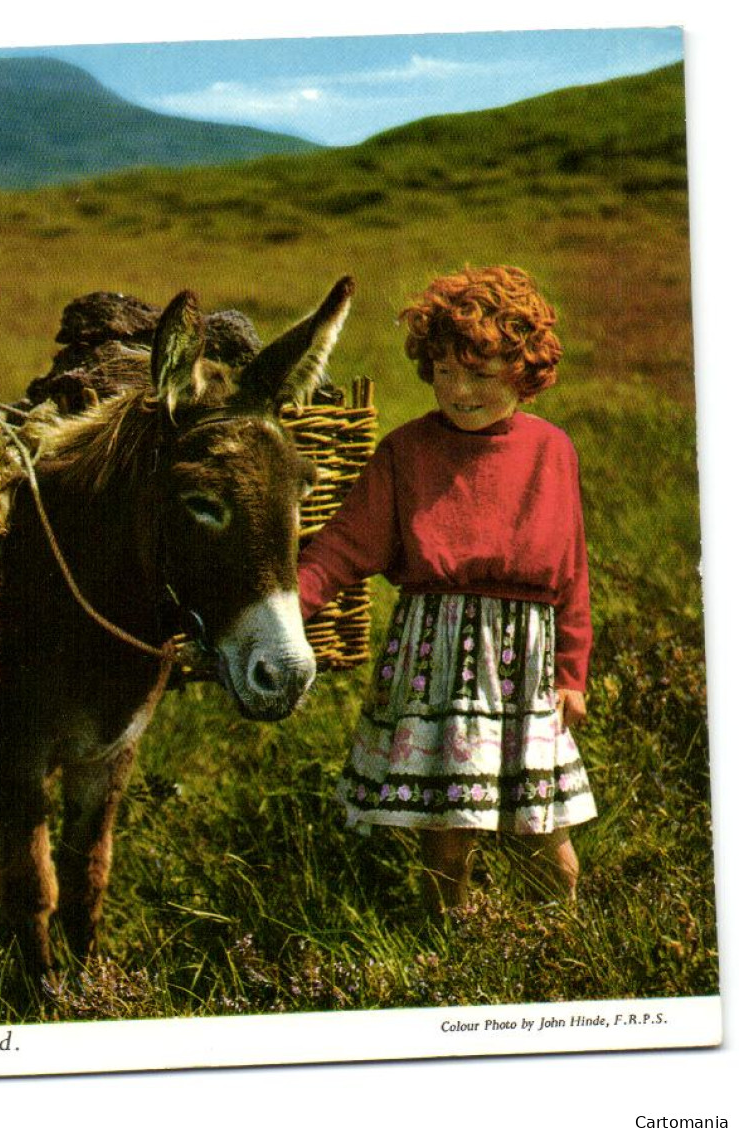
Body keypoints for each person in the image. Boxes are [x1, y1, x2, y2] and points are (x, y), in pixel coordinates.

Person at [298, 265, 595, 918]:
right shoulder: (405, 451)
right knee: (448, 837)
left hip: (528, 669)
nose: (459, 390)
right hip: (439, 662)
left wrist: (573, 672)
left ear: (524, 371)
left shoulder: (553, 451)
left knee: (547, 837)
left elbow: (572, 572)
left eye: (481, 374)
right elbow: (344, 545)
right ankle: (448, 950)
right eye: (443, 370)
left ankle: (563, 947)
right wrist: (287, 607)